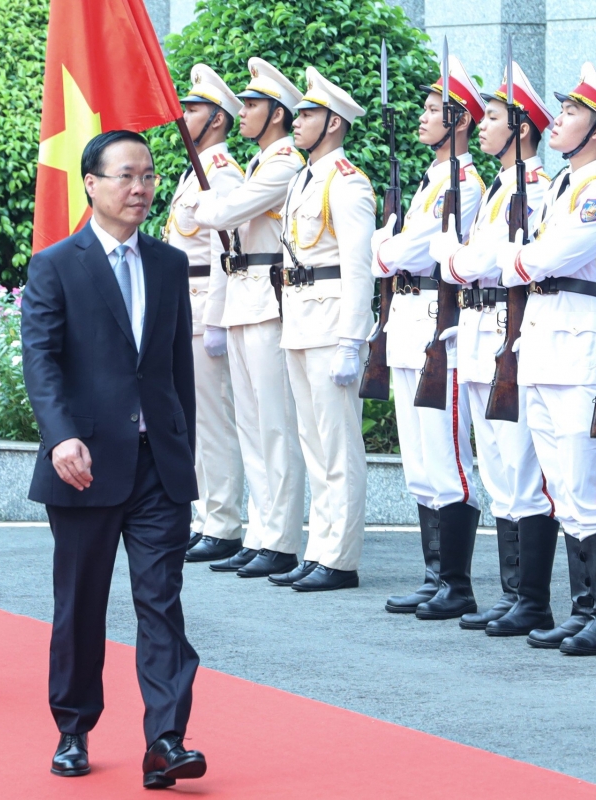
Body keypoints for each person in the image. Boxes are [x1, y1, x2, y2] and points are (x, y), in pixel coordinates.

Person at [22, 130, 206, 790]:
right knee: (80, 604)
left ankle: (166, 738)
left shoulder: (166, 262)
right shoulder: (55, 265)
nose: (140, 187)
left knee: (161, 602)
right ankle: (73, 726)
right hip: (85, 463)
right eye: (125, 175)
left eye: (148, 175)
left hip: (158, 464)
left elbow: (175, 366)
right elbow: (41, 361)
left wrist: (184, 445)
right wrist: (60, 435)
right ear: (91, 184)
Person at [497, 62, 596, 656]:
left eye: (573, 112)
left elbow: (550, 255)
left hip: (580, 343)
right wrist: (527, 258)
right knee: (562, 485)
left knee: (590, 483)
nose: (557, 121)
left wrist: (521, 259)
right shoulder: (559, 185)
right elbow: (535, 256)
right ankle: (583, 610)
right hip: (544, 340)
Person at [428, 63, 557, 633]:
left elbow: (483, 262)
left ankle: (532, 598)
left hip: (507, 332)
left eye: (497, 118)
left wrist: (452, 259)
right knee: (499, 468)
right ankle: (512, 593)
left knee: (520, 468)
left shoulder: (535, 189)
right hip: (481, 335)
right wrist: (459, 261)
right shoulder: (502, 186)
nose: (482, 126)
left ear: (522, 130)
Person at [371, 55, 486, 619]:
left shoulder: (464, 182)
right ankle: (433, 574)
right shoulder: (431, 180)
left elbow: (402, 251)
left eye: (433, 110)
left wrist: (388, 247)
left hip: (438, 326)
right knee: (418, 458)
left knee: (446, 455)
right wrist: (389, 248)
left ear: (460, 121)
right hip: (408, 319)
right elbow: (392, 251)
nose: (422, 117)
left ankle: (456, 583)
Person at [190, 57, 308, 579]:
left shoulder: (282, 164)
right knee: (252, 426)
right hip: (243, 299)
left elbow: (219, 215)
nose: (243, 113)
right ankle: (261, 534)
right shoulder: (261, 164)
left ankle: (279, 538)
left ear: (277, 115)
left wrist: (214, 207)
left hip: (265, 299)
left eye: (254, 105)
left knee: (274, 427)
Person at [270, 66, 374, 591]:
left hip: (332, 324)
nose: (297, 121)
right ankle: (319, 548)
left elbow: (359, 266)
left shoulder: (348, 182)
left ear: (333, 124)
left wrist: (353, 340)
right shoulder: (302, 179)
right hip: (300, 321)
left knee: (338, 446)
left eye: (308, 114)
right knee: (313, 444)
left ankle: (340, 558)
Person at [164, 65, 248, 564]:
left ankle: (224, 523)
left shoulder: (222, 172)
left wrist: (216, 317)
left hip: (201, 304)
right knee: (192, 420)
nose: (184, 115)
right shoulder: (194, 169)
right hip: (183, 302)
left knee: (214, 419)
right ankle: (206, 517)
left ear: (216, 120)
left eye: (193, 109)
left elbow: (225, 251)